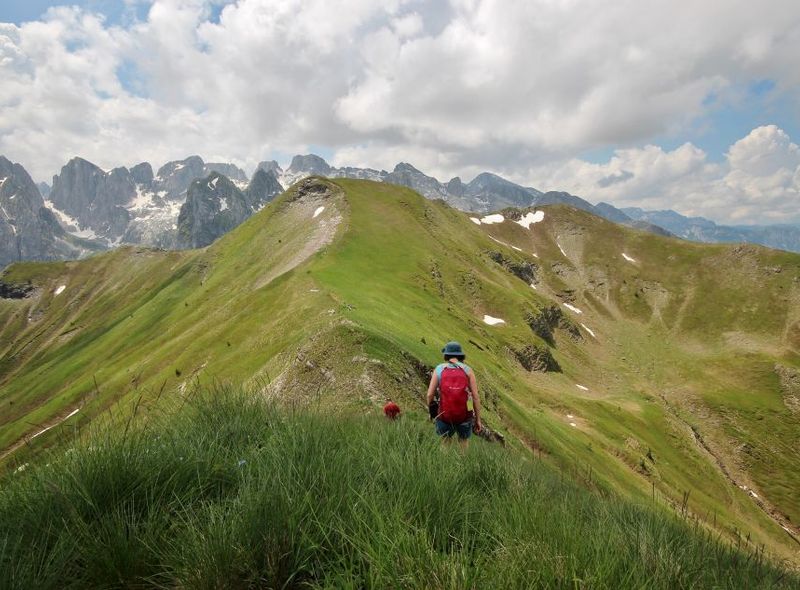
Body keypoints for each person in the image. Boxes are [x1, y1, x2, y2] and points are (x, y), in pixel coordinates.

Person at [426, 341, 482, 445]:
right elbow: (475, 397)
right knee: (463, 445)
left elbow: (430, 394)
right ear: (461, 355)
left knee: (445, 445)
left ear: (446, 355)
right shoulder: (468, 370)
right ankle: (463, 461)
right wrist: (478, 419)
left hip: (444, 415)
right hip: (465, 415)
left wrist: (432, 412)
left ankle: (445, 461)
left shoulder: (439, 369)